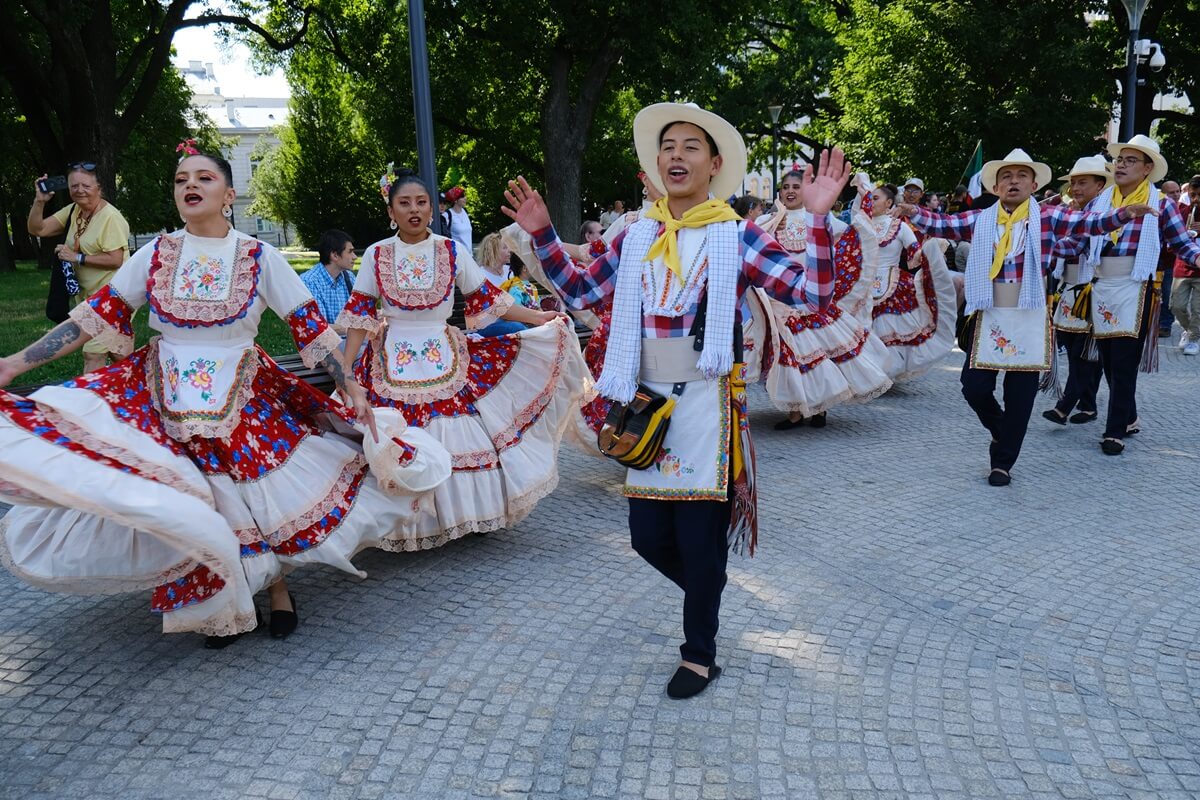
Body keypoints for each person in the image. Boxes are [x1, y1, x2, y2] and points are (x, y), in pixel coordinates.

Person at [0, 152, 447, 647]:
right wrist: (14, 364)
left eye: (205, 178)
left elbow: (310, 328)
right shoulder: (156, 254)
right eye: (181, 180)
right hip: (167, 396)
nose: (190, 185)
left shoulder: (259, 256)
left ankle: (277, 588)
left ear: (228, 195)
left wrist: (348, 382)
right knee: (199, 501)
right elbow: (92, 316)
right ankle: (219, 605)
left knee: (250, 497)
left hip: (240, 394)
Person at [506, 102, 849, 698]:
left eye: (692, 147)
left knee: (697, 537)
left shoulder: (737, 234)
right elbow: (585, 288)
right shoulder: (637, 233)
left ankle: (699, 653)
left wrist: (818, 219)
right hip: (647, 403)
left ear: (714, 165)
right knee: (647, 538)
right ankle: (708, 595)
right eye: (668, 147)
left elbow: (813, 293)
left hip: (708, 408)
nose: (676, 156)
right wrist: (542, 234)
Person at [338, 168, 589, 547]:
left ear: (434, 208)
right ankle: (410, 524)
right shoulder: (377, 254)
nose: (414, 210)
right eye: (404, 204)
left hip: (443, 355)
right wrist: (348, 369)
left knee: (454, 434)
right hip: (391, 359)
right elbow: (359, 315)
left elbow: (488, 298)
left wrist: (537, 317)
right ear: (391, 210)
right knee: (405, 436)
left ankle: (457, 518)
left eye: (421, 203)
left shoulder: (450, 250)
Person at [897, 148, 1151, 485]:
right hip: (988, 313)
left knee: (1020, 394)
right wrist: (914, 211)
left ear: (1033, 185)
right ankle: (1000, 428)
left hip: (1030, 314)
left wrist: (1123, 214)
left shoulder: (1047, 218)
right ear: (996, 186)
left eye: (1020, 177)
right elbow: (944, 223)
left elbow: (1089, 223)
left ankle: (1003, 462)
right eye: (1006, 176)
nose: (1013, 182)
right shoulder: (981, 218)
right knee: (973, 388)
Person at [1055, 136, 1200, 455]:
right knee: (1107, 360)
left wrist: (1197, 256)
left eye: (1130, 160)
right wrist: (1048, 248)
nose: (1121, 165)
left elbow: (1181, 243)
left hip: (1137, 286)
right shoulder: (1100, 202)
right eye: (1119, 159)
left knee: (1122, 361)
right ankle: (1129, 416)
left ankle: (1114, 431)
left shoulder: (1162, 203)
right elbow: (1078, 242)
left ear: (1148, 169)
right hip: (1101, 287)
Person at [754, 170, 894, 429]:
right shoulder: (768, 220)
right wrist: (773, 224)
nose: (790, 191)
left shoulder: (821, 218)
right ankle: (795, 411)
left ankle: (820, 408)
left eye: (796, 186)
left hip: (810, 300)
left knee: (819, 358)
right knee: (789, 360)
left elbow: (850, 236)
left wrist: (862, 198)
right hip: (779, 304)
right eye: (786, 187)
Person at [27, 162, 131, 373]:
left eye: (86, 185)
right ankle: (147, 386)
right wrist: (39, 201)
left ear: (99, 188)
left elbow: (116, 260)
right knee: (119, 353)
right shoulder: (74, 210)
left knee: (92, 352)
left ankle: (87, 403)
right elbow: (37, 229)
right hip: (90, 297)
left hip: (114, 296)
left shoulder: (111, 217)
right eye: (74, 186)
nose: (79, 190)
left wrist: (77, 257)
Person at [1043, 156, 1111, 427]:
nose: (1076, 188)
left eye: (1083, 182)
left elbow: (1074, 246)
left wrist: (1044, 244)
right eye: (1073, 183)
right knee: (1081, 350)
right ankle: (1090, 404)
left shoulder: (1099, 214)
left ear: (1100, 185)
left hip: (1090, 289)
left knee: (1082, 352)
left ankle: (1064, 406)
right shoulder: (1075, 212)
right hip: (1070, 287)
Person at [868, 183, 957, 381]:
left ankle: (883, 372)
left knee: (888, 329)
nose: (870, 202)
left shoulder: (899, 226)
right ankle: (867, 372)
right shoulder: (861, 224)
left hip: (891, 285)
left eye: (875, 198)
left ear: (889, 202)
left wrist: (931, 251)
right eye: (869, 198)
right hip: (862, 285)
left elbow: (915, 252)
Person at [474, 232, 527, 336]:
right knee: (517, 327)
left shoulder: (511, 272)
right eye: (504, 248)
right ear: (492, 251)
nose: (510, 251)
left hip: (514, 318)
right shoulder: (480, 275)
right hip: (488, 325)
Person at [1170, 178, 1200, 355]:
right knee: (1176, 306)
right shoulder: (1182, 212)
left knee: (1198, 309)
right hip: (1182, 266)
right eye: (1193, 195)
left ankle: (1194, 339)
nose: (1196, 200)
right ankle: (1189, 331)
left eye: (1199, 196)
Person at [301, 229, 356, 325]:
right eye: (350, 252)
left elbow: (360, 312)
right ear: (335, 255)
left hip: (351, 338)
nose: (355, 256)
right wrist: (356, 328)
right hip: (325, 340)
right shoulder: (309, 282)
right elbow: (319, 328)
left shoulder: (349, 277)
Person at [1158, 180, 1183, 337]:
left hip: (1172, 261)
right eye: (1171, 192)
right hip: (1157, 258)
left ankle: (1166, 324)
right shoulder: (1159, 208)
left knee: (1167, 294)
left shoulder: (1186, 209)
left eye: (1177, 191)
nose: (1175, 195)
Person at [444, 186, 473, 256]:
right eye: (462, 197)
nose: (465, 198)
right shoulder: (447, 215)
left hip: (469, 256)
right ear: (455, 200)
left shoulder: (465, 212)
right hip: (457, 258)